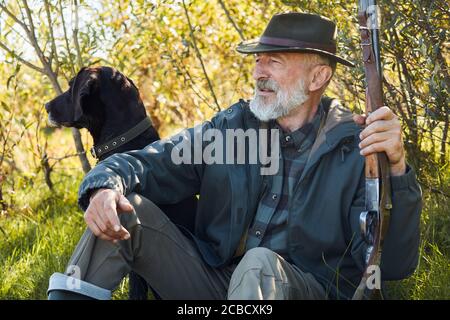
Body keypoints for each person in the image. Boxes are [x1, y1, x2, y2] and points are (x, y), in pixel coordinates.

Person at [47, 12, 421, 300]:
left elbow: (393, 264)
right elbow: (149, 161)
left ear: (318, 77)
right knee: (125, 206)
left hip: (303, 289)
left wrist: (398, 169)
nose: (259, 71)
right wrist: (104, 188)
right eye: (258, 60)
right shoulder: (232, 128)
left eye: (274, 61)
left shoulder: (358, 147)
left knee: (258, 265)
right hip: (217, 283)